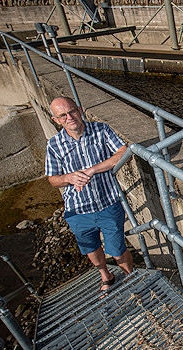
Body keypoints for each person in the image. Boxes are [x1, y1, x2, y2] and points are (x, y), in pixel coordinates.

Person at [45, 96, 133, 293]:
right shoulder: (54, 145)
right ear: (56, 120)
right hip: (77, 210)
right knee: (91, 250)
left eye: (72, 111)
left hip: (107, 203)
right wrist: (69, 177)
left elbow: (123, 152)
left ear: (80, 109)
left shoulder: (101, 130)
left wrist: (93, 170)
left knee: (118, 250)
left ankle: (130, 277)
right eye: (63, 115)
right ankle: (106, 276)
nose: (69, 117)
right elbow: (53, 179)